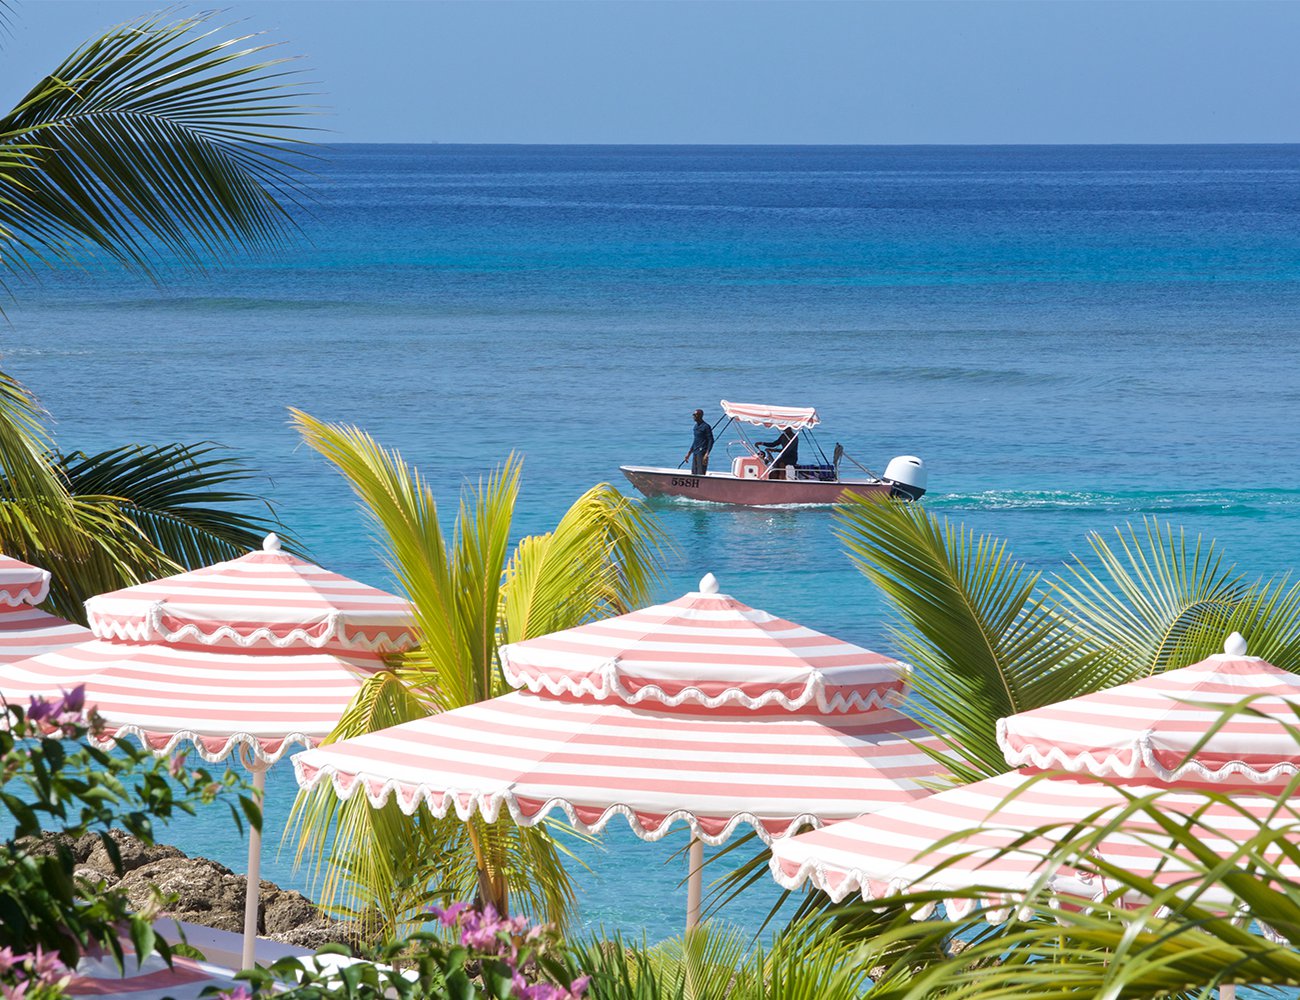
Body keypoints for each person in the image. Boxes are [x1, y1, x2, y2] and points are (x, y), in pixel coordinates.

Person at [684, 408, 713, 475]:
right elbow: (695, 440)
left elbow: (711, 440)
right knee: (694, 472)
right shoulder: (695, 426)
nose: (693, 416)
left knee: (701, 472)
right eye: (693, 415)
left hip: (702, 453)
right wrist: (689, 453)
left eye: (695, 415)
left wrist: (707, 453)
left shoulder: (706, 426)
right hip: (695, 452)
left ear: (700, 416)